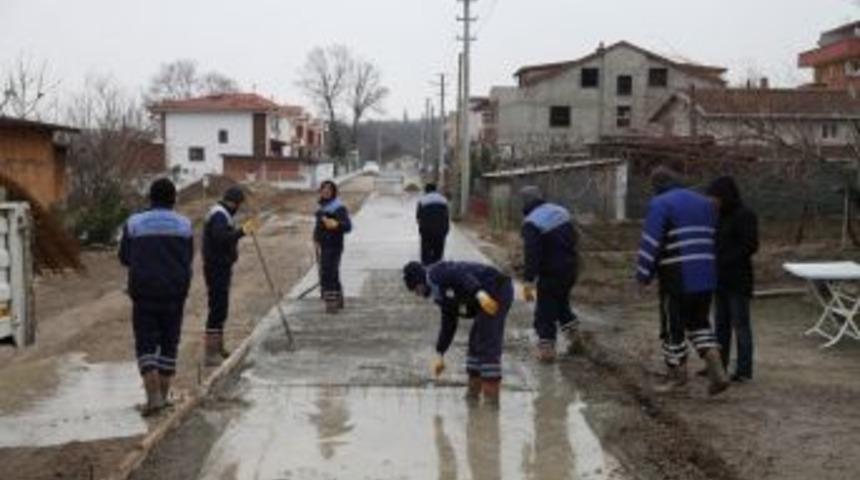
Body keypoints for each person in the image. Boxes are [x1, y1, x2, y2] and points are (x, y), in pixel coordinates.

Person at [635, 167, 729, 395]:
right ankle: (714, 360)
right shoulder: (705, 203)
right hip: (706, 274)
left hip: (677, 276)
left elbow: (651, 241)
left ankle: (676, 376)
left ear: (656, 185)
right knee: (698, 322)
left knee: (672, 327)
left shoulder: (661, 203)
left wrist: (643, 275)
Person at [119, 178, 193, 416]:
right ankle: (163, 396)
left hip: (144, 293)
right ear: (174, 199)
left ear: (150, 197)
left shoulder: (134, 223)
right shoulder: (185, 225)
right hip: (174, 293)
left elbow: (125, 258)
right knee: (170, 341)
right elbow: (188, 258)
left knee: (146, 342)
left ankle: (154, 399)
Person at [402, 260, 514, 405]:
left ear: (420, 281)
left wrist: (479, 293)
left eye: (416, 289)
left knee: (487, 343)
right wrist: (440, 352)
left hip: (496, 290)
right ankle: (473, 395)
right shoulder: (439, 294)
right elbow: (449, 323)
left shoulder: (438, 273)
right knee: (474, 343)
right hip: (483, 297)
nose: (418, 294)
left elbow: (461, 276)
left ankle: (491, 404)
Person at [519, 186, 583, 362]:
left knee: (545, 310)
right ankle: (575, 338)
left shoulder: (531, 222)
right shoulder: (561, 211)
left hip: (551, 272)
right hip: (571, 268)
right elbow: (575, 237)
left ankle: (546, 351)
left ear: (525, 202)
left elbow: (532, 253)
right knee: (561, 303)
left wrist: (528, 280)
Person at [706, 176, 758, 383]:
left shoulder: (745, 215)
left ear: (724, 196)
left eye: (715, 197)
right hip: (719, 280)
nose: (712, 202)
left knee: (740, 325)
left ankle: (744, 370)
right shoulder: (717, 216)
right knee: (720, 325)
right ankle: (720, 366)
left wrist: (724, 260)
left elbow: (750, 246)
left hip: (738, 279)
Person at [202, 186, 257, 366]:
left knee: (221, 306)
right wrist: (242, 231)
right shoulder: (219, 215)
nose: (238, 208)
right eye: (239, 204)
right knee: (217, 306)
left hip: (221, 265)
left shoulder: (222, 213)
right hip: (216, 266)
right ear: (233, 202)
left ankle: (217, 347)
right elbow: (221, 238)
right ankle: (210, 353)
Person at [314, 180, 352, 313]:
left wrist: (336, 224)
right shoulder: (321, 208)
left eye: (328, 190)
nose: (325, 191)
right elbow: (318, 227)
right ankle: (338, 299)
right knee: (329, 272)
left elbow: (348, 226)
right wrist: (316, 239)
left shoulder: (339, 207)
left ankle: (331, 303)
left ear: (333, 192)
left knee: (330, 273)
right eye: (323, 189)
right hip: (324, 244)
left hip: (335, 245)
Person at [416, 183, 450, 265]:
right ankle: (437, 269)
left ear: (426, 190)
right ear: (435, 190)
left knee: (426, 251)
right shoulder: (443, 200)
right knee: (438, 251)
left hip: (426, 230)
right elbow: (447, 216)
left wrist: (421, 228)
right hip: (441, 229)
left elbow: (418, 217)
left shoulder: (422, 200)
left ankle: (426, 270)